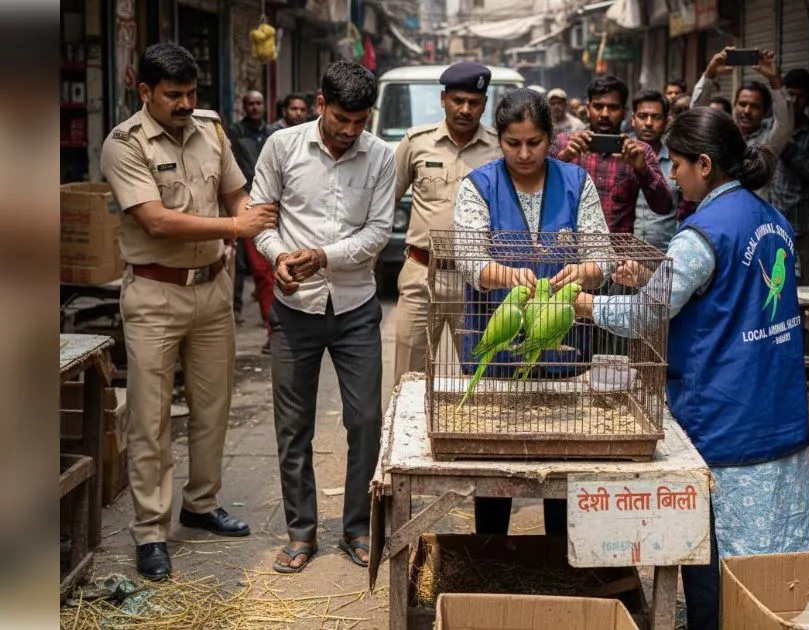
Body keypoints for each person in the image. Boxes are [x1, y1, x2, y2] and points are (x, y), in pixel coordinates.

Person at [573, 107, 809, 630]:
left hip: (725, 417)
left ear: (704, 165)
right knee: (774, 559)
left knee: (717, 560)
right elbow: (726, 297)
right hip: (775, 406)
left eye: (677, 164)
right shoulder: (771, 218)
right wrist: (653, 278)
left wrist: (588, 306)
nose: (672, 174)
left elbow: (644, 317)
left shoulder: (700, 233)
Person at [101, 42, 274, 581]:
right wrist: (235, 229)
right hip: (154, 294)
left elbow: (237, 195)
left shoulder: (210, 129)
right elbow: (155, 220)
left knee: (212, 406)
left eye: (190, 93)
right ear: (145, 91)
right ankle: (151, 530)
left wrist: (263, 237)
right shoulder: (123, 144)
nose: (183, 103)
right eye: (172, 94)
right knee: (151, 419)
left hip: (212, 290)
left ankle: (201, 503)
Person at [250, 61, 394, 573]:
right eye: (340, 119)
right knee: (293, 427)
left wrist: (323, 257)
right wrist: (279, 258)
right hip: (293, 311)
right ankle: (301, 533)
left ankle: (357, 527)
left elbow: (378, 231)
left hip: (356, 307)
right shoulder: (281, 147)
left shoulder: (380, 156)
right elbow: (260, 217)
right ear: (319, 105)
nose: (350, 131)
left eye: (360, 121)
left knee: (366, 421)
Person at [452, 87, 611, 537]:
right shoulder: (477, 186)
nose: (524, 153)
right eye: (512, 143)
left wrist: (586, 270)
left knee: (564, 477)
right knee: (496, 476)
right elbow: (467, 259)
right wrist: (505, 275)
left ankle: (559, 570)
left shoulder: (577, 182)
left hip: (564, 356)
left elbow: (603, 255)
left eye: (534, 143)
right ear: (497, 139)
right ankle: (492, 560)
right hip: (498, 358)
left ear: (552, 137)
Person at [392, 62, 502, 384]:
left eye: (474, 102)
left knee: (479, 376)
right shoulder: (416, 142)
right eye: (458, 100)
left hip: (478, 282)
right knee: (408, 376)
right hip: (422, 275)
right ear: (443, 100)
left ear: (485, 104)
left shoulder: (499, 149)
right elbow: (386, 204)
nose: (465, 109)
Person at [550, 75, 675, 235]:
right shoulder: (564, 143)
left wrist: (643, 170)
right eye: (598, 106)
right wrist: (563, 159)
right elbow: (537, 193)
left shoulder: (638, 151)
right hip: (570, 253)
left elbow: (664, 207)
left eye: (613, 107)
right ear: (588, 108)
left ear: (624, 112)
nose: (604, 114)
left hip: (617, 255)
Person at [690, 47, 792, 197]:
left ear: (765, 111)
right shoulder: (719, 135)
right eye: (742, 104)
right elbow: (696, 115)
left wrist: (775, 79)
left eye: (754, 106)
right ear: (734, 105)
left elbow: (785, 123)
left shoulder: (769, 143)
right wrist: (710, 72)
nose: (746, 111)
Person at [227, 90, 277, 349]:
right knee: (255, 269)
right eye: (251, 103)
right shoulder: (235, 133)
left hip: (274, 206)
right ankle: (269, 326)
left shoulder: (273, 135)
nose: (256, 107)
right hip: (246, 205)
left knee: (270, 271)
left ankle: (275, 330)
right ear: (244, 106)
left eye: (259, 103)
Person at [768, 69, 809, 285]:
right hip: (773, 220)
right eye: (790, 94)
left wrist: (789, 151)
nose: (794, 100)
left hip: (804, 222)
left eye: (801, 95)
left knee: (806, 286)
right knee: (774, 282)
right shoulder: (771, 129)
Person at [627, 89, 687, 251]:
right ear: (633, 119)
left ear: (666, 121)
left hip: (665, 254)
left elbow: (684, 210)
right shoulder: (620, 158)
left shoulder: (677, 162)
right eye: (642, 116)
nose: (648, 123)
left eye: (656, 117)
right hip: (624, 256)